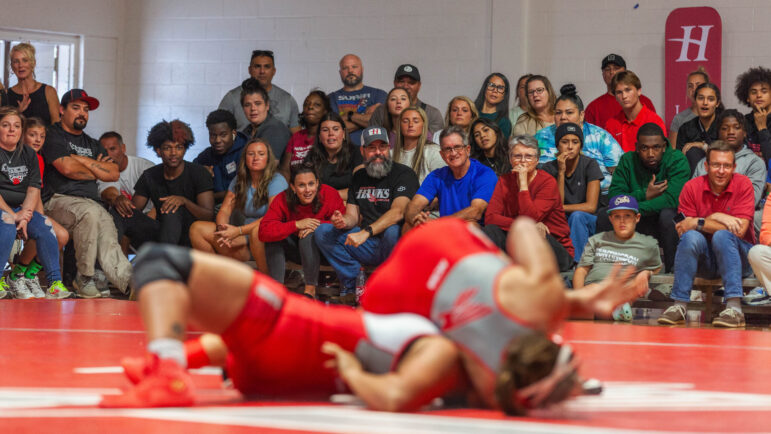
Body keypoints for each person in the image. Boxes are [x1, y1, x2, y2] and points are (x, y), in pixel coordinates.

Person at [101, 217, 645, 414]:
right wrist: (567, 306)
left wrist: (561, 299)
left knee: (157, 262)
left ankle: (167, 367)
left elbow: (392, 397)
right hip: (272, 367)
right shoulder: (474, 378)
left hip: (291, 327)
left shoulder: (443, 352)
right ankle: (175, 360)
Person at [360, 216, 646, 413]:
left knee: (505, 284)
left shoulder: (545, 301)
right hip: (393, 294)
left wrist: (556, 293)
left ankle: (502, 276)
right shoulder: (490, 390)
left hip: (444, 238)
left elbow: (523, 226)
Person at [42, 89, 131, 298]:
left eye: (86, 109)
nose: (82, 113)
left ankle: (128, 280)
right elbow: (66, 169)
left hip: (89, 202)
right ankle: (84, 278)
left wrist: (79, 159)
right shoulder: (52, 135)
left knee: (105, 222)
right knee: (91, 213)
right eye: (76, 108)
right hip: (57, 200)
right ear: (62, 110)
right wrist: (96, 167)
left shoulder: (92, 143)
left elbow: (113, 173)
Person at [314, 127, 419, 304]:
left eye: (382, 147)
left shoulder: (404, 174)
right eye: (372, 148)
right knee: (323, 231)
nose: (378, 152)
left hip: (393, 244)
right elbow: (352, 216)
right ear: (363, 151)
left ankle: (389, 287)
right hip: (367, 244)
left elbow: (398, 211)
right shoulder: (359, 177)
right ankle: (353, 283)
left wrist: (366, 232)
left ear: (389, 149)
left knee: (393, 230)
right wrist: (342, 221)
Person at [658, 141, 756, 328]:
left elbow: (739, 231)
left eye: (726, 166)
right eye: (716, 165)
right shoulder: (691, 187)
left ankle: (735, 309)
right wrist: (718, 219)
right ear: (706, 166)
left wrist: (700, 221)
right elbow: (683, 229)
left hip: (739, 258)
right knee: (690, 238)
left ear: (734, 167)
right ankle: (679, 306)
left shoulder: (743, 184)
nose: (721, 171)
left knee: (723, 237)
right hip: (706, 260)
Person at [598, 123, 688, 272]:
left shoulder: (677, 159)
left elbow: (671, 199)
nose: (651, 153)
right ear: (637, 147)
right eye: (645, 148)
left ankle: (673, 273)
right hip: (636, 221)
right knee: (603, 215)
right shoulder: (627, 160)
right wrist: (644, 194)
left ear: (664, 146)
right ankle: (608, 271)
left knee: (669, 215)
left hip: (662, 222)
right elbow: (614, 198)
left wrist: (632, 208)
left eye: (656, 147)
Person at [0, 107, 69, 299]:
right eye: (6, 125)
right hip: (3, 209)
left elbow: (33, 189)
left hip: (21, 209)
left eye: (16, 126)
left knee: (46, 225)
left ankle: (55, 283)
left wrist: (25, 216)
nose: (12, 130)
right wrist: (14, 216)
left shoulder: (29, 154)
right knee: (6, 223)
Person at [189, 139, 286, 271]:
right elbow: (225, 210)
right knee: (197, 228)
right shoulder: (239, 179)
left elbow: (272, 218)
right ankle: (216, 277)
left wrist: (238, 232)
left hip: (264, 237)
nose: (255, 158)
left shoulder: (277, 180)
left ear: (268, 158)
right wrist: (223, 230)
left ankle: (265, 281)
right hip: (241, 236)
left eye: (261, 154)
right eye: (251, 154)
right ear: (245, 157)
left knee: (256, 233)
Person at [483, 135, 574, 271]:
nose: (523, 162)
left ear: (537, 160)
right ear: (510, 159)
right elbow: (490, 218)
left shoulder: (547, 182)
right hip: (520, 242)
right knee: (490, 231)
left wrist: (523, 184)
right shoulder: (504, 181)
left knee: (535, 234)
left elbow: (530, 217)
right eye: (517, 156)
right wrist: (526, 226)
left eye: (529, 157)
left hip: (554, 247)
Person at [258, 164, 345, 298]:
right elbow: (264, 231)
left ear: (317, 183)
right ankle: (277, 292)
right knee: (273, 237)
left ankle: (310, 291)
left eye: (311, 184)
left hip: (326, 251)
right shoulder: (282, 198)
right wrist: (296, 225)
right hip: (297, 251)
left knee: (308, 233)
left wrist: (316, 225)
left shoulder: (330, 194)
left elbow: (345, 225)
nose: (307, 190)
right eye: (301, 185)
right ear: (292, 187)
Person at [573, 194, 662, 321]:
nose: (622, 221)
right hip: (593, 290)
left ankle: (610, 309)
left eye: (627, 216)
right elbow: (581, 270)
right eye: (617, 216)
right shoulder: (597, 240)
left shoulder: (648, 244)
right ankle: (611, 310)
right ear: (610, 219)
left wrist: (646, 272)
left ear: (637, 218)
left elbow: (657, 267)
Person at [128, 121, 214, 247]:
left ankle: (165, 262)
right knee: (120, 212)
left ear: (184, 150)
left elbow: (208, 216)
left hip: (192, 235)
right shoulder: (149, 175)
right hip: (161, 232)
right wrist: (120, 202)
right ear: (158, 151)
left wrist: (184, 201)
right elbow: (132, 211)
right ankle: (120, 263)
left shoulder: (199, 172)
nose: (173, 153)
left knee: (172, 209)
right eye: (168, 148)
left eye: (179, 147)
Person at [535, 84, 622, 199]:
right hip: (552, 196)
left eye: (569, 112)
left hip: (599, 197)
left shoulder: (599, 136)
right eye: (558, 112)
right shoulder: (541, 138)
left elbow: (618, 172)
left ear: (581, 115)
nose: (563, 117)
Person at [403, 126, 498, 232]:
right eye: (448, 149)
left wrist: (438, 223)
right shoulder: (437, 175)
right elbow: (414, 205)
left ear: (468, 150)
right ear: (442, 155)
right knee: (408, 225)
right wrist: (416, 218)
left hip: (472, 232)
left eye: (457, 147)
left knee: (470, 225)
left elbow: (475, 212)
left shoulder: (484, 174)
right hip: (443, 228)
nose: (453, 153)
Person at [540, 123, 604, 263]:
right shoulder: (548, 168)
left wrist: (559, 209)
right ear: (557, 146)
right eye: (564, 142)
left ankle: (577, 266)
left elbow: (591, 207)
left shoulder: (590, 164)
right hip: (561, 223)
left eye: (575, 142)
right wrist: (561, 173)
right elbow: (557, 203)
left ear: (580, 146)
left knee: (577, 216)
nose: (570, 146)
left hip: (588, 221)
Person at [692, 110, 767, 209]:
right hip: (702, 218)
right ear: (718, 133)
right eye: (724, 128)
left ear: (744, 133)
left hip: (736, 220)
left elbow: (750, 201)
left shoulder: (755, 163)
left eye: (736, 128)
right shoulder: (704, 163)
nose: (731, 132)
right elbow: (691, 197)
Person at [98, 131, 155, 250]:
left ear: (123, 148)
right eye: (104, 150)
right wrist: (117, 198)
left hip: (150, 218)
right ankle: (121, 268)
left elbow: (162, 198)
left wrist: (148, 220)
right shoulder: (103, 171)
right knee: (117, 220)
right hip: (124, 218)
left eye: (113, 149)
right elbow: (108, 191)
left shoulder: (145, 167)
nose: (108, 154)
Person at [218, 49, 300, 132]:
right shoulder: (232, 98)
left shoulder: (287, 100)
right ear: (249, 70)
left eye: (267, 66)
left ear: (274, 71)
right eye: (257, 66)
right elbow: (219, 132)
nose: (262, 71)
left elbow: (296, 137)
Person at [584, 54, 656, 129]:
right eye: (607, 69)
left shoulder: (645, 102)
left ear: (624, 71)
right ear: (603, 74)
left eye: (616, 68)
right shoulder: (593, 107)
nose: (612, 72)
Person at [328, 54, 387, 146]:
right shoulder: (330, 98)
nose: (350, 71)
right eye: (345, 68)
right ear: (340, 72)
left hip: (372, 151)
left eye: (354, 67)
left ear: (362, 69)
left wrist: (349, 115)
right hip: (341, 155)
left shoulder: (379, 94)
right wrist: (366, 118)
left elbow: (381, 122)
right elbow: (333, 128)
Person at [302, 112, 363, 201]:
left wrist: (329, 195)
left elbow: (361, 190)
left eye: (335, 129)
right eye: (325, 130)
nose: (331, 133)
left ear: (344, 134)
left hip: (351, 205)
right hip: (320, 206)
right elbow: (305, 189)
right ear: (319, 136)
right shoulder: (312, 156)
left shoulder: (357, 153)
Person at [368, 64, 444, 133]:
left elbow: (436, 144)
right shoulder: (380, 111)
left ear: (419, 85)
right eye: (401, 81)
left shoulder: (432, 114)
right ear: (394, 83)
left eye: (411, 82)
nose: (405, 86)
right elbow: (371, 141)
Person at [193, 110, 248, 205]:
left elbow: (244, 191)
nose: (217, 140)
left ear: (233, 133)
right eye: (213, 135)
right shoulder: (206, 156)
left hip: (239, 206)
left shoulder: (247, 151)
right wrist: (200, 173)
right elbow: (190, 175)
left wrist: (209, 197)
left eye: (223, 135)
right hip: (213, 207)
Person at [604, 70, 666, 152]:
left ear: (639, 91)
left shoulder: (655, 121)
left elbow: (663, 156)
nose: (624, 96)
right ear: (615, 97)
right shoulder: (611, 124)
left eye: (628, 90)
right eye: (619, 92)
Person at [279, 90, 330, 177]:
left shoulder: (328, 136)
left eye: (317, 105)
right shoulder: (296, 137)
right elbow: (285, 170)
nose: (310, 107)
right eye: (306, 104)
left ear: (325, 111)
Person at [6, 43, 60, 125]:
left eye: (25, 60)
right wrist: (18, 111)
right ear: (12, 66)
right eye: (16, 61)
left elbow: (57, 127)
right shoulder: (6, 94)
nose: (20, 65)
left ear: (33, 63)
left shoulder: (49, 91)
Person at [675, 83, 723, 174]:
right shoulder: (686, 128)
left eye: (710, 99)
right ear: (695, 101)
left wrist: (703, 146)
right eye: (701, 98)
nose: (705, 103)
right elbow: (680, 162)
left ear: (717, 103)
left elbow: (726, 155)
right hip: (694, 179)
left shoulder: (724, 126)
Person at [240, 79, 291, 160]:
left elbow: (270, 167)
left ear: (267, 105)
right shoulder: (247, 130)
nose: (253, 108)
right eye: (247, 105)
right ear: (243, 108)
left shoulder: (275, 129)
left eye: (258, 103)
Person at [392, 106, 445, 183]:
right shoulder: (390, 154)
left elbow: (442, 184)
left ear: (423, 125)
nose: (410, 125)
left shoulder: (434, 152)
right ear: (399, 125)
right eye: (405, 121)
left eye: (416, 121)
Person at [735, 66, 771, 164]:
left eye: (764, 91)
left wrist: (762, 128)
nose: (759, 95)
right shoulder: (742, 121)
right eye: (753, 92)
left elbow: (769, 160)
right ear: (747, 98)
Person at [669, 67, 710, 146]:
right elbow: (673, 151)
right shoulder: (679, 118)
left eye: (698, 85)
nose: (694, 89)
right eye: (690, 86)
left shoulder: (718, 115)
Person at [474, 73, 513, 140]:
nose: (495, 90)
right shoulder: (470, 112)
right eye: (491, 85)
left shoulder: (504, 122)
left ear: (504, 95)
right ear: (485, 88)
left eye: (500, 88)